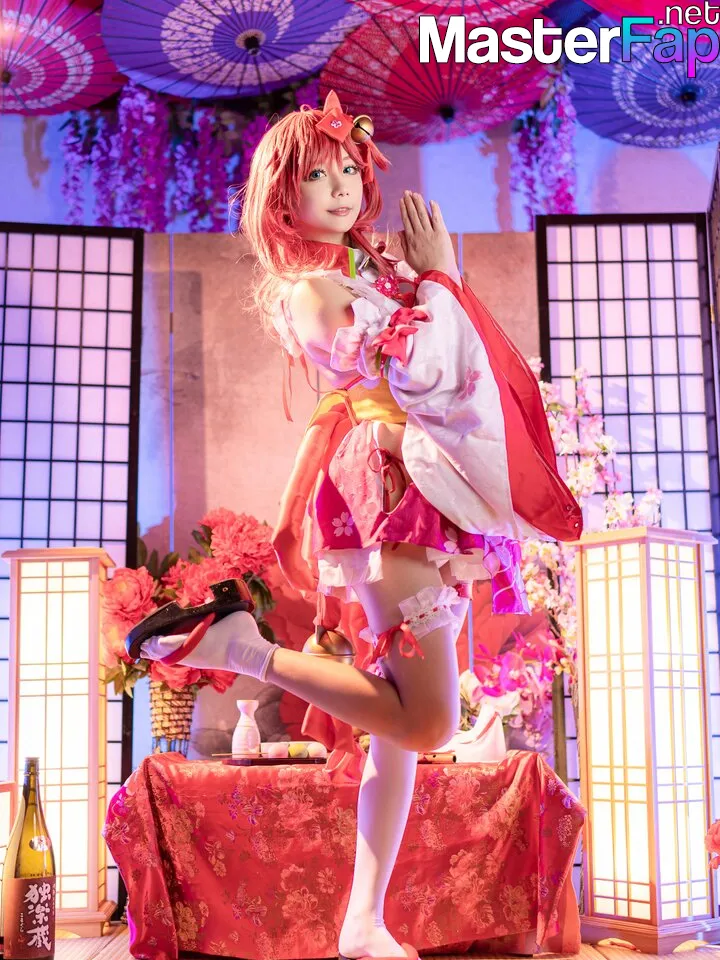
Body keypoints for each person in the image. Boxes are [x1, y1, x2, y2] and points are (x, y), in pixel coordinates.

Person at [139, 91, 582, 960]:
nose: (342, 185)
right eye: (319, 173)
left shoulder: (368, 272)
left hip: (417, 481)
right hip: (387, 482)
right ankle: (243, 649)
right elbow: (412, 371)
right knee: (428, 724)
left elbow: (438, 364)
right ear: (284, 194)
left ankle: (363, 920)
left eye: (350, 167)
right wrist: (440, 278)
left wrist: (428, 279)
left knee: (401, 726)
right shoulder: (313, 289)